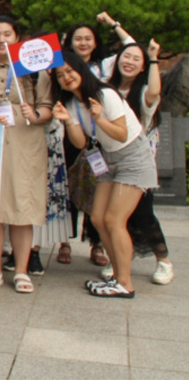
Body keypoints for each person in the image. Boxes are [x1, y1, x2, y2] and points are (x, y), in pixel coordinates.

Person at [52, 52, 156, 298]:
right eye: (59, 75)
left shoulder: (105, 94)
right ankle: (117, 277)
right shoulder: (72, 103)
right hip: (108, 159)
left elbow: (120, 133)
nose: (66, 77)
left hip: (132, 156)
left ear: (81, 70)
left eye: (69, 71)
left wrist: (98, 118)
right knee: (98, 218)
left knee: (113, 220)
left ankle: (125, 283)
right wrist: (68, 121)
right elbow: (79, 143)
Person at [0, 16, 52, 294]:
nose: (1, 39)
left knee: (23, 206)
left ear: (17, 36)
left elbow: (48, 106)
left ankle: (21, 271)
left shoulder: (34, 69)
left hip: (24, 144)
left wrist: (38, 113)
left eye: (7, 34)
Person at [108, 40, 174, 285]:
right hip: (110, 160)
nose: (129, 62)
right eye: (126, 57)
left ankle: (163, 260)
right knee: (113, 215)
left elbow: (155, 92)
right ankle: (118, 261)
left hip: (136, 161)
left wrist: (155, 57)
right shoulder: (108, 87)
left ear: (143, 66)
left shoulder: (144, 91)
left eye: (137, 59)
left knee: (144, 214)